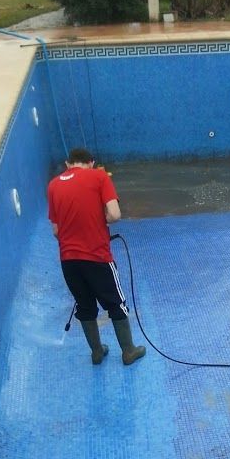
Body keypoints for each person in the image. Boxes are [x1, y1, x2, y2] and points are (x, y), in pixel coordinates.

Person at [47, 147, 146, 366]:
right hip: (97, 256)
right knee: (115, 303)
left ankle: (97, 352)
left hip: (69, 260)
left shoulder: (53, 185)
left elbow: (56, 230)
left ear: (67, 164)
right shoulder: (99, 176)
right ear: (91, 163)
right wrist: (99, 220)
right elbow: (115, 214)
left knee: (84, 306)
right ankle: (128, 351)